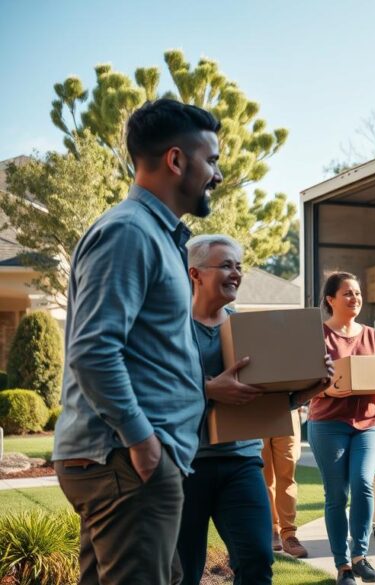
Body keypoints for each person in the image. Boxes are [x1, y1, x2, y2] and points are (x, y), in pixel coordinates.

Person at [52, 99, 220, 585]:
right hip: (128, 462)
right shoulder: (129, 232)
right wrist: (144, 444)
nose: (217, 175)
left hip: (128, 464)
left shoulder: (156, 236)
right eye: (211, 161)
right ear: (175, 160)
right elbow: (93, 350)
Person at [175, 234, 328, 585]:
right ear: (195, 274)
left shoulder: (247, 328)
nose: (236, 273)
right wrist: (209, 389)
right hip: (184, 466)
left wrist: (310, 389)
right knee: (183, 571)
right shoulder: (171, 328)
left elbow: (266, 399)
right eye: (226, 265)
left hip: (240, 463)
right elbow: (151, 388)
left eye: (239, 266)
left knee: (258, 560)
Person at [308, 272, 375, 585]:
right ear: (330, 299)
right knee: (336, 494)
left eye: (357, 293)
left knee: (363, 483)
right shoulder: (318, 336)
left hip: (369, 423)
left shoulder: (372, 336)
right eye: (347, 293)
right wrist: (327, 391)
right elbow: (303, 381)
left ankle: (360, 557)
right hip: (328, 424)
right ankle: (343, 566)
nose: (355, 298)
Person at [263, 412, 307, 558]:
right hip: (255, 411)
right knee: (264, 477)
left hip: (287, 410)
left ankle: (289, 535)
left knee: (287, 476)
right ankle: (272, 529)